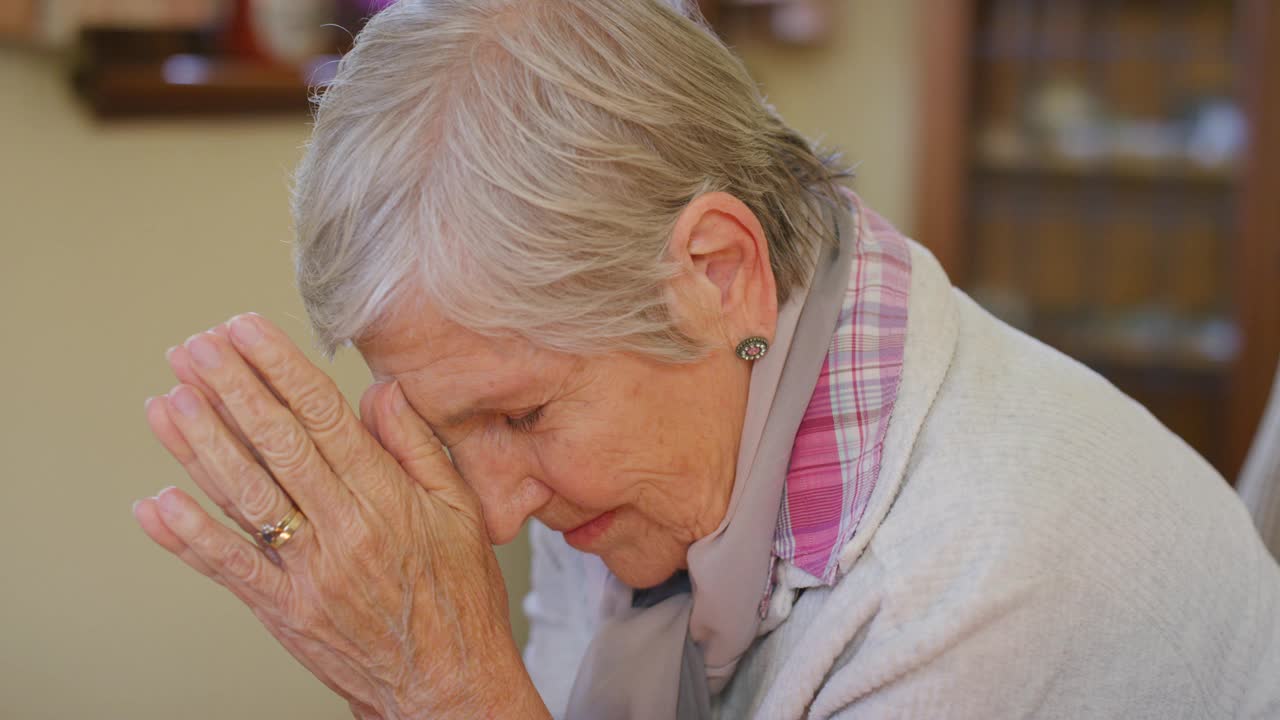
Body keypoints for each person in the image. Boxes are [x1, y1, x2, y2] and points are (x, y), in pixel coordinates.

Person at [133, 1, 1280, 718]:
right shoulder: (699, 397)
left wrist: (446, 688)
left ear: (718, 268)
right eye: (446, 433)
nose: (489, 510)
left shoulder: (977, 589)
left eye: (521, 416)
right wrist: (394, 665)